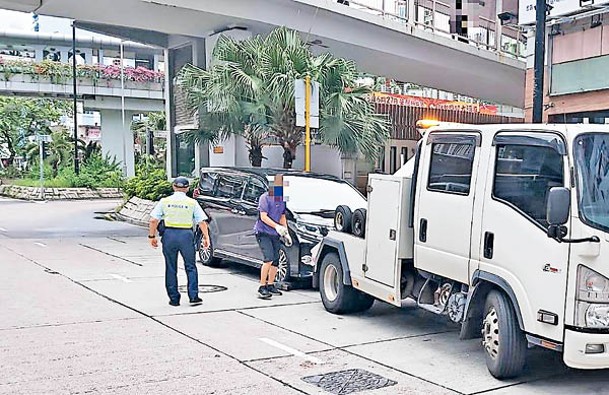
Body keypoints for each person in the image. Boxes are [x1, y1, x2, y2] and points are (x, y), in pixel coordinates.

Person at [148, 177, 210, 307]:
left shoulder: (165, 201)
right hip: (186, 235)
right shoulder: (192, 203)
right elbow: (202, 222)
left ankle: (174, 298)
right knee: (191, 266)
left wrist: (152, 236)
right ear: (187, 188)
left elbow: (153, 220)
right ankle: (193, 297)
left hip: (169, 235)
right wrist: (206, 238)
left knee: (171, 267)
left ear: (173, 187)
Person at [254, 174, 292, 299]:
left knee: (276, 259)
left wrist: (286, 232)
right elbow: (263, 216)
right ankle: (262, 286)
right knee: (268, 258)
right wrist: (276, 226)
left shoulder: (281, 199)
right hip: (263, 232)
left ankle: (271, 284)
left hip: (275, 233)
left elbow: (282, 216)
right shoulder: (265, 198)